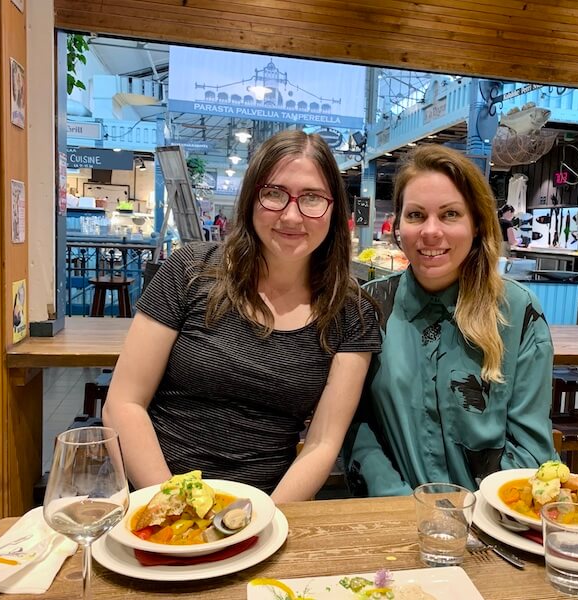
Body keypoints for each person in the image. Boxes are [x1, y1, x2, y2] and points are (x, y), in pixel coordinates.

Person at [102, 130, 381, 502]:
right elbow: (124, 403)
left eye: (312, 198)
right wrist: (173, 505)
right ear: (251, 198)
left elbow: (323, 443)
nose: (292, 215)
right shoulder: (190, 271)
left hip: (268, 508)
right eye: (274, 194)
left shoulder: (352, 312)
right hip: (156, 496)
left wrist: (264, 520)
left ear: (333, 208)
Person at [343, 145, 556, 497]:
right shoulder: (370, 307)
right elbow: (356, 426)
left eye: (450, 214)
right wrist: (398, 501)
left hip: (493, 524)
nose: (430, 231)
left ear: (476, 224)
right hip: (397, 519)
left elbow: (531, 448)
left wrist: (474, 516)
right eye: (415, 215)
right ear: (398, 225)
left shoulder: (518, 312)